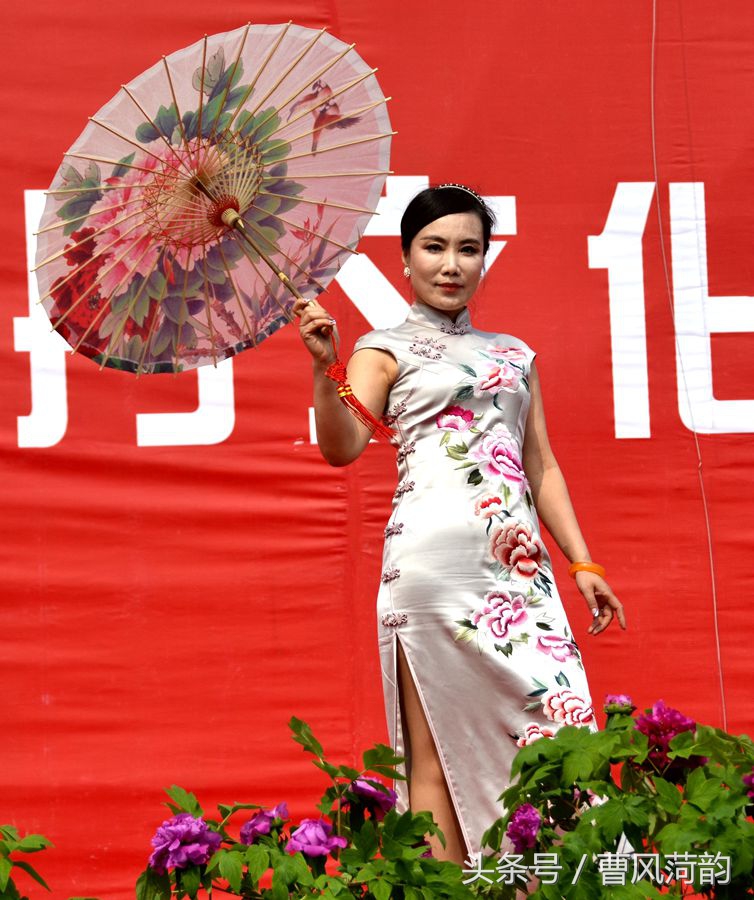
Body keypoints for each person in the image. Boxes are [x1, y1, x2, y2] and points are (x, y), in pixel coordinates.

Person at [294, 184, 626, 864]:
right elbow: (342, 448)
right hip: (430, 573)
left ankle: (560, 880)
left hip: (520, 576)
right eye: (434, 248)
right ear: (406, 259)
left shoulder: (514, 355)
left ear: (483, 259)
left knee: (561, 737)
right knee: (436, 759)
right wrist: (326, 370)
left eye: (467, 249)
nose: (451, 264)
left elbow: (544, 470)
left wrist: (583, 564)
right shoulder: (381, 348)